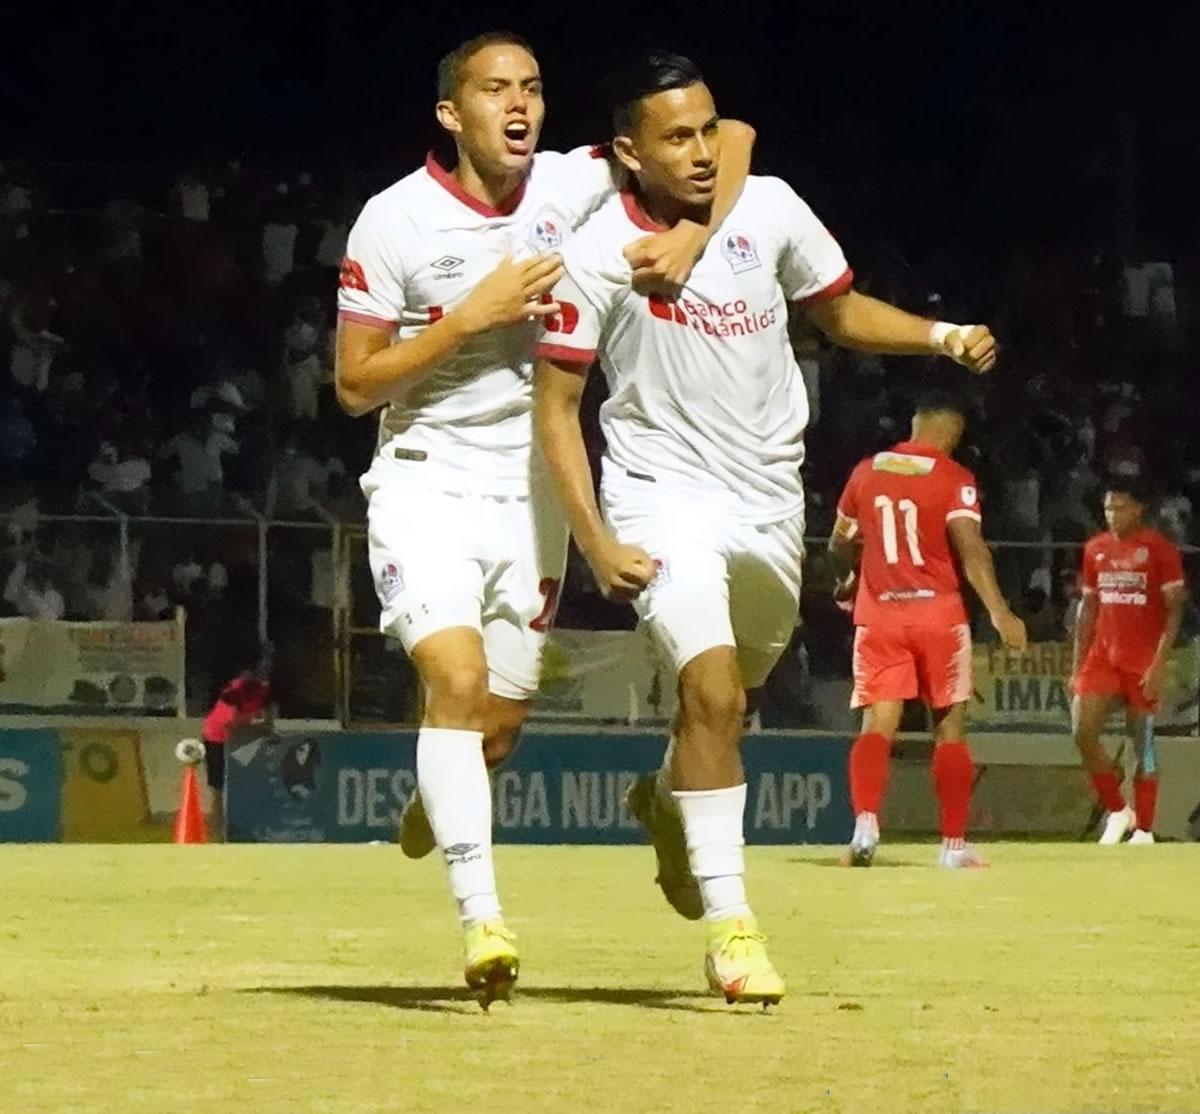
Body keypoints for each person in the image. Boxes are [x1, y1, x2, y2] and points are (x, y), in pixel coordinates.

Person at [533, 50, 996, 1006]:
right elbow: (557, 406)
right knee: (706, 690)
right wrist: (594, 538)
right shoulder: (593, 256)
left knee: (730, 705)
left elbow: (836, 310)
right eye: (676, 137)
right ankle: (732, 926)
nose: (702, 151)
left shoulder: (767, 206)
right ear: (628, 152)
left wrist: (938, 336)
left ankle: (665, 801)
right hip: (664, 496)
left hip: (768, 500)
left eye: (708, 129)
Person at [333, 30, 755, 1008]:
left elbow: (729, 134)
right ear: (452, 113)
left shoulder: (573, 185)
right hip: (426, 481)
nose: (517, 106)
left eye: (529, 88)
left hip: (531, 499)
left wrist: (692, 232)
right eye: (493, 90)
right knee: (458, 679)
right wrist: (469, 317)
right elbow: (354, 384)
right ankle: (483, 920)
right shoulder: (392, 221)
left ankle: (443, 790)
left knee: (495, 728)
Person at [829, 390, 1027, 869]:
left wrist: (847, 578)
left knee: (878, 721)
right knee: (950, 728)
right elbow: (971, 548)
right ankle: (953, 847)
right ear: (951, 429)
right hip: (938, 614)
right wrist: (1001, 612)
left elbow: (839, 540)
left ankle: (865, 826)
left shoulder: (867, 470)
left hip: (880, 613)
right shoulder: (954, 477)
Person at [1072, 483, 1187, 844]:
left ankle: (1145, 829)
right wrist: (1077, 667)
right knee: (1082, 732)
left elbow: (1175, 611)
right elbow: (1088, 608)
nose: (1112, 515)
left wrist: (1158, 665)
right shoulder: (1095, 549)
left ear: (1138, 509)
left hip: (1143, 661)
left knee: (1144, 746)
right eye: (1108, 509)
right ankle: (1119, 809)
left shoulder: (1159, 549)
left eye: (1120, 508)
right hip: (1102, 657)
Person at [201, 657, 274, 841]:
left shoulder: (262, 690)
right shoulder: (232, 692)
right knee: (219, 789)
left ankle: (241, 829)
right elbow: (231, 725)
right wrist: (258, 729)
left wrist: (263, 728)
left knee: (242, 785)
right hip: (216, 740)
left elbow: (268, 720)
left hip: (238, 740)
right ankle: (216, 834)